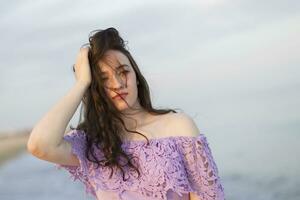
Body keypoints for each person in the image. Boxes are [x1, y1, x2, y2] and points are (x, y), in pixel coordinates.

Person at [27, 27, 225, 200]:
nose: (118, 84)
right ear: (95, 89)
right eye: (104, 80)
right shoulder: (91, 144)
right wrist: (82, 83)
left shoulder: (179, 126)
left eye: (123, 72)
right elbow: (39, 145)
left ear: (136, 76)